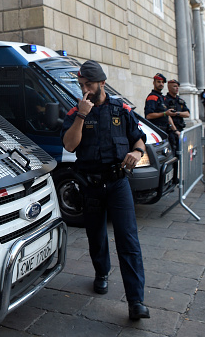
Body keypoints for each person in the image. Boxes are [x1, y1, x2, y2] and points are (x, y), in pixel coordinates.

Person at [61, 60, 150, 320]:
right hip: (90, 184)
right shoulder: (75, 112)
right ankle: (101, 273)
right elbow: (69, 145)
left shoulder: (121, 110)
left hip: (118, 183)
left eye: (89, 84)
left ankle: (136, 300)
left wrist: (136, 151)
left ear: (101, 83)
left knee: (128, 240)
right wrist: (81, 114)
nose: (85, 90)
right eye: (81, 85)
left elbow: (138, 137)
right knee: (96, 235)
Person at [144, 73, 178, 138]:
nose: (161, 84)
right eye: (159, 82)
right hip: (156, 130)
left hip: (164, 130)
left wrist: (175, 130)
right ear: (154, 83)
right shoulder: (152, 97)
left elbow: (167, 116)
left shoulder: (162, 97)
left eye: (162, 82)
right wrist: (165, 113)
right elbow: (149, 116)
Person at [164, 79, 190, 153]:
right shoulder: (165, 100)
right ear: (169, 88)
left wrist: (177, 113)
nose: (177, 88)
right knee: (173, 151)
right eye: (175, 86)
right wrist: (175, 131)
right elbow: (168, 116)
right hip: (171, 131)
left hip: (180, 129)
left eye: (178, 86)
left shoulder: (180, 100)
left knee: (183, 150)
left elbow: (187, 114)